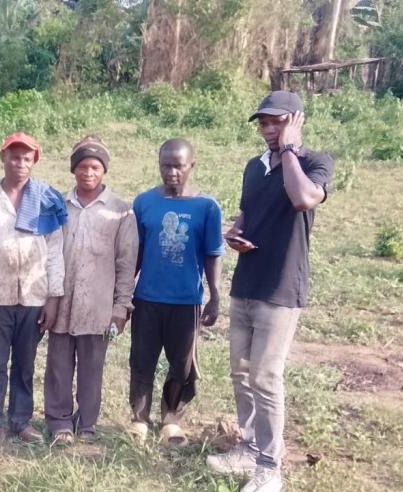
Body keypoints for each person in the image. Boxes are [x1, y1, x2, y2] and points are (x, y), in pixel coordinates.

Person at [207, 91, 334, 492]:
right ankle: (247, 446)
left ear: (296, 120)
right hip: (246, 281)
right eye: (263, 122)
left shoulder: (315, 162)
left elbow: (303, 198)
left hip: (281, 287)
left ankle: (269, 466)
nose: (267, 129)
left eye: (276, 121)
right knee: (241, 372)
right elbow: (248, 213)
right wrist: (235, 234)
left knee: (266, 375)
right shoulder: (254, 167)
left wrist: (291, 150)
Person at [0, 131, 66, 457]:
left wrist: (53, 299)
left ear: (34, 161)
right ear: (3, 158)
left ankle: (21, 420)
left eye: (27, 158)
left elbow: (55, 252)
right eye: (14, 157)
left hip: (33, 297)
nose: (20, 163)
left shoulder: (46, 201)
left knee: (25, 365)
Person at [128, 138, 224, 447]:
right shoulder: (144, 203)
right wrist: (123, 291)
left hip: (186, 301)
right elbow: (137, 251)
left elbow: (212, 253)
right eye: (165, 165)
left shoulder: (206, 207)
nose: (171, 172)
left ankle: (171, 419)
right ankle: (139, 419)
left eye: (177, 166)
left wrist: (215, 295)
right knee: (141, 360)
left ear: (191, 166)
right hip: (147, 298)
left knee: (181, 364)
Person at [44, 135, 138, 445]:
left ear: (104, 171)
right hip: (61, 301)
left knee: (91, 368)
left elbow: (126, 264)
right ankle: (59, 422)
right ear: (74, 170)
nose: (88, 173)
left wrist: (120, 308)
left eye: (95, 167)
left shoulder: (121, 212)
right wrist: (48, 297)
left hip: (98, 307)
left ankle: (86, 424)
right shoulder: (59, 205)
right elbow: (47, 252)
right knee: (57, 366)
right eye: (82, 166)